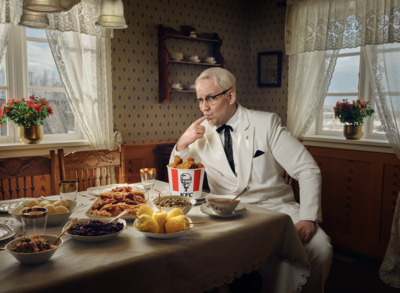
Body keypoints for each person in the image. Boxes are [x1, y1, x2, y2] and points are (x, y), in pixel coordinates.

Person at [170, 67, 332, 292]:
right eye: (199, 100)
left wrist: (307, 217)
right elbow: (178, 174)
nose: (203, 107)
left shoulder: (267, 123)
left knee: (321, 249)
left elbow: (307, 169)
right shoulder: (199, 132)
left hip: (276, 209)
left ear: (230, 95)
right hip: (224, 215)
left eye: (210, 98)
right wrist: (182, 143)